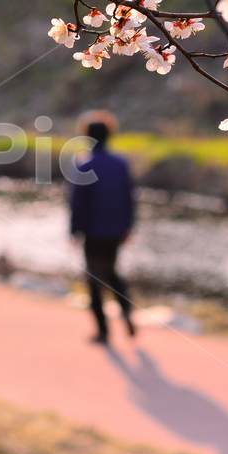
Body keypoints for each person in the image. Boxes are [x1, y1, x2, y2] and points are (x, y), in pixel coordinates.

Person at [69, 113, 136, 345]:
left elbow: (78, 202)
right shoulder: (120, 164)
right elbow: (130, 198)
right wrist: (128, 226)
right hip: (116, 230)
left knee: (94, 279)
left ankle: (103, 331)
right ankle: (126, 309)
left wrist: (74, 230)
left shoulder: (84, 164)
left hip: (93, 231)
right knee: (111, 270)